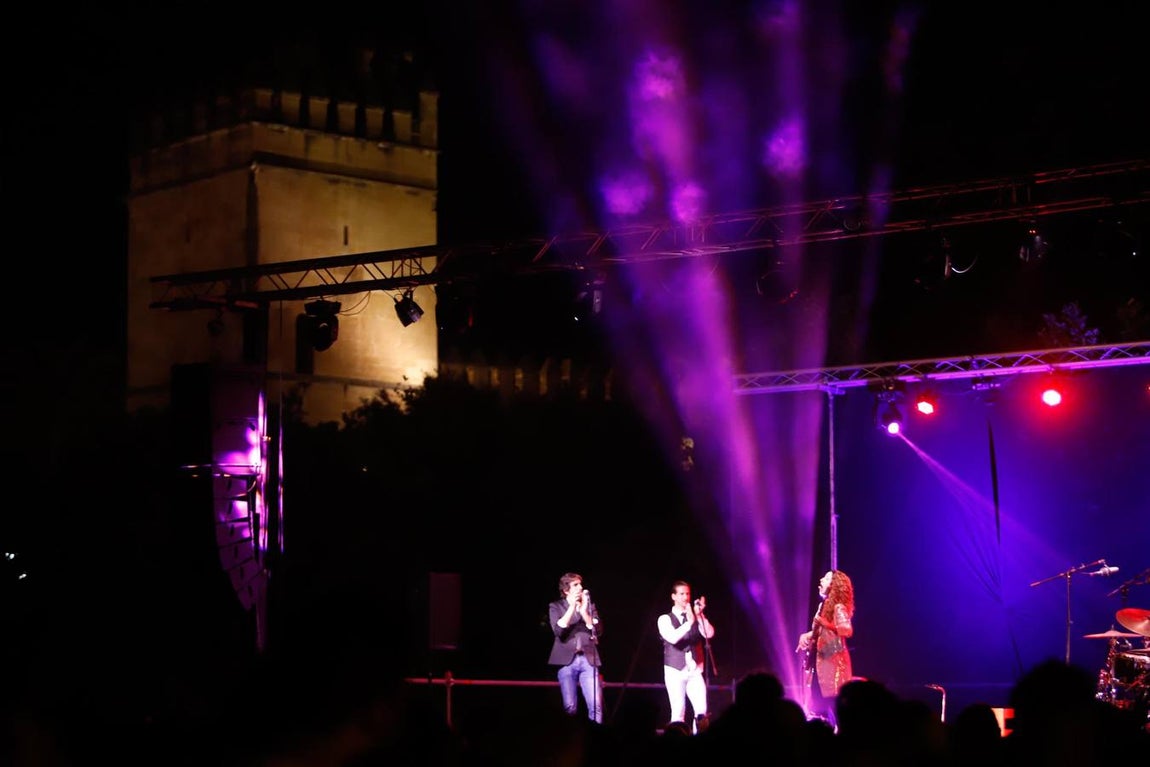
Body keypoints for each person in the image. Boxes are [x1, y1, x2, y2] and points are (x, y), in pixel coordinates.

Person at [796, 569, 855, 724]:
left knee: (832, 701)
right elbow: (822, 632)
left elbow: (846, 630)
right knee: (819, 701)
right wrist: (807, 636)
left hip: (833, 661)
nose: (821, 580)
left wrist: (825, 623)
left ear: (834, 585)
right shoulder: (823, 605)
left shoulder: (838, 607)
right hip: (821, 660)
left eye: (826, 578)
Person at [657, 579, 715, 731]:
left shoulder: (695, 617)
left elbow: (709, 633)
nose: (686, 597)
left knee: (701, 711)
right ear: (674, 596)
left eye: (688, 594)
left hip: (695, 670)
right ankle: (676, 742)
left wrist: (700, 616)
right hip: (675, 671)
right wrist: (689, 622)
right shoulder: (664, 619)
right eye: (682, 594)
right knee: (678, 712)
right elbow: (672, 638)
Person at [547, 572, 603, 723]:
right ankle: (570, 734)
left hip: (588, 659)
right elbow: (558, 631)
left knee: (596, 704)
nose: (580, 588)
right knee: (570, 706)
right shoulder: (556, 606)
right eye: (575, 585)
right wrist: (572, 607)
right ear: (566, 590)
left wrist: (584, 611)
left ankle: (597, 734)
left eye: (580, 584)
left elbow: (598, 631)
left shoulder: (589, 606)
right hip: (566, 661)